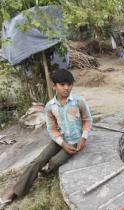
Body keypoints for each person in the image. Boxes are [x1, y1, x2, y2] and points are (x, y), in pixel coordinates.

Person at [0, 70, 92, 209]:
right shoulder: (50, 106)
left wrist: (83, 138)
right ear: (54, 86)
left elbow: (87, 120)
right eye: (62, 84)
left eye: (69, 84)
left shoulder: (78, 102)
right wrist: (62, 143)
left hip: (75, 142)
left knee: (55, 161)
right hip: (59, 140)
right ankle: (14, 191)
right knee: (38, 160)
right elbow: (52, 129)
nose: (67, 88)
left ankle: (45, 172)